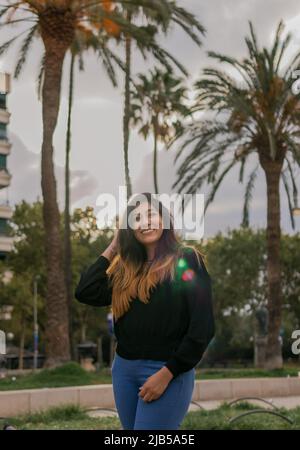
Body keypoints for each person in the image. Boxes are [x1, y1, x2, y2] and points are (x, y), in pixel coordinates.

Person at [75, 192, 215, 430]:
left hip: (168, 371)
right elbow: (85, 291)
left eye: (151, 214)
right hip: (124, 371)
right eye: (136, 218)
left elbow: (203, 327)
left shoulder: (187, 260)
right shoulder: (125, 270)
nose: (146, 222)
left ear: (164, 219)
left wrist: (167, 373)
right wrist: (113, 247)